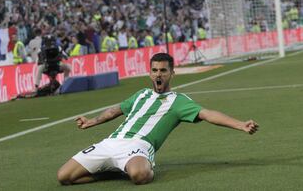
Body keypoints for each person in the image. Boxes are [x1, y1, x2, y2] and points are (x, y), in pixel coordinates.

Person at [57, 53, 259, 185]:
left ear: (172, 73)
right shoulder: (141, 94)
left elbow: (208, 114)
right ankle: (112, 171)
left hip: (139, 146)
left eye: (163, 70)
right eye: (154, 70)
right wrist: (91, 121)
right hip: (110, 143)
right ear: (150, 73)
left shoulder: (178, 101)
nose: (158, 74)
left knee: (140, 176)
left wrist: (240, 124)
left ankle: (128, 168)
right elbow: (114, 111)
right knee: (64, 177)